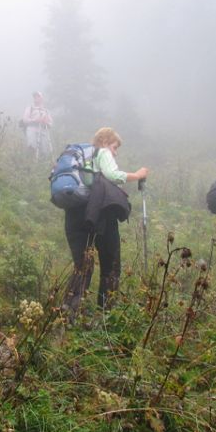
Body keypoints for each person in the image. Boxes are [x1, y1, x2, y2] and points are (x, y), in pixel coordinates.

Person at [63, 127, 148, 314]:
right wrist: (138, 175)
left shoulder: (83, 165)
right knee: (111, 267)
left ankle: (67, 315)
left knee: (82, 267)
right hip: (99, 215)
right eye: (114, 147)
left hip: (75, 214)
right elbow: (113, 175)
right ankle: (105, 318)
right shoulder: (102, 153)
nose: (115, 153)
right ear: (104, 142)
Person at [20, 91, 53, 161]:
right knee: (32, 146)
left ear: (41, 98)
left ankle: (43, 163)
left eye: (38, 96)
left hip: (44, 130)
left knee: (44, 149)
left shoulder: (46, 111)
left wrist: (46, 122)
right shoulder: (30, 108)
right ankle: (31, 162)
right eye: (35, 97)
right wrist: (35, 120)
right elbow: (25, 119)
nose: (36, 98)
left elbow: (50, 123)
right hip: (32, 129)